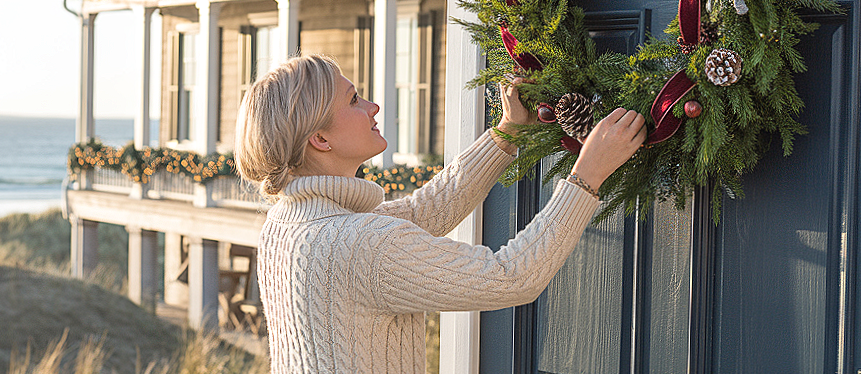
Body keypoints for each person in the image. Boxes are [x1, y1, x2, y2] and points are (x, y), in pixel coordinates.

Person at [235, 54, 646, 374]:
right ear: (320, 139)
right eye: (354, 100)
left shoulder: (286, 225)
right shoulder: (360, 242)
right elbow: (512, 277)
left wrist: (507, 132)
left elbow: (423, 211)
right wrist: (588, 174)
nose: (373, 106)